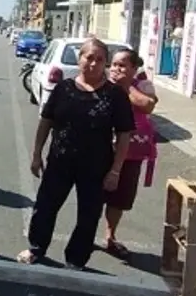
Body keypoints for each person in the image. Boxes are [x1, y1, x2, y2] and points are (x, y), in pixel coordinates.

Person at [17, 38, 135, 269]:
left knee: (89, 215)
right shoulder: (64, 88)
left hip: (96, 167)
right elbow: (46, 121)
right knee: (45, 207)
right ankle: (37, 248)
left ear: (106, 64)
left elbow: (124, 135)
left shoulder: (115, 95)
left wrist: (115, 171)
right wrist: (36, 153)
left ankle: (76, 259)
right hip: (60, 161)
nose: (93, 63)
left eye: (99, 59)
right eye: (88, 57)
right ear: (80, 59)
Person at [104, 48, 158, 260]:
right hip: (103, 148)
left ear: (134, 69)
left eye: (122, 65)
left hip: (131, 151)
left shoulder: (142, 86)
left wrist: (125, 87)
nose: (116, 69)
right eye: (114, 64)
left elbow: (147, 106)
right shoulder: (103, 83)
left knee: (120, 197)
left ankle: (110, 236)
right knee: (93, 193)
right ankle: (85, 234)